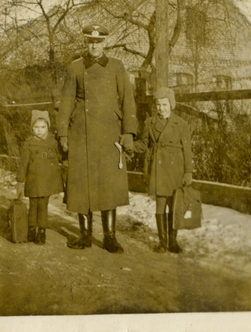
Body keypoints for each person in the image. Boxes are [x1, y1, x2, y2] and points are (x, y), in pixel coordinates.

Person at [57, 23, 137, 254]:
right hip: (81, 134)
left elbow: (128, 101)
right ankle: (84, 235)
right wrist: (63, 132)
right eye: (91, 42)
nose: (94, 46)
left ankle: (110, 237)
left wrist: (128, 132)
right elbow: (66, 103)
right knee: (83, 184)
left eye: (99, 42)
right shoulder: (75, 68)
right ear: (86, 43)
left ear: (105, 43)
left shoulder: (116, 67)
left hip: (109, 134)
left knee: (108, 185)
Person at [134, 87, 193, 253]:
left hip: (176, 170)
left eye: (165, 104)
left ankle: (173, 242)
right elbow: (144, 143)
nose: (161, 108)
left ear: (171, 104)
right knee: (160, 206)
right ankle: (162, 242)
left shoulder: (181, 124)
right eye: (158, 105)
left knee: (175, 207)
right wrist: (130, 146)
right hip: (158, 168)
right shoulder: (150, 123)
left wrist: (188, 172)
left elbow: (187, 150)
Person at [16, 110, 63, 244]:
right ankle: (31, 230)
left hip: (46, 181)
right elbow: (23, 164)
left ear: (48, 127)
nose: (39, 130)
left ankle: (42, 232)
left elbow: (60, 158)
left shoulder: (53, 142)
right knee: (33, 206)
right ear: (32, 128)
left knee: (43, 206)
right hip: (33, 180)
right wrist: (20, 181)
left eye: (43, 127)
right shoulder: (28, 143)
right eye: (36, 127)